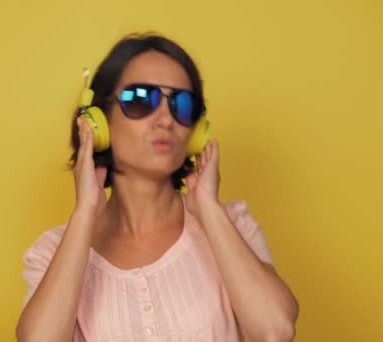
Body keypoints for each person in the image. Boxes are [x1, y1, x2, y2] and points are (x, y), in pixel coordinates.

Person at [16, 33, 299, 342]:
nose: (165, 119)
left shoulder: (232, 225)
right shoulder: (52, 252)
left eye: (182, 104)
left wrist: (207, 206)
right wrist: (85, 211)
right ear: (99, 122)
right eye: (140, 99)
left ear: (196, 133)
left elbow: (275, 330)